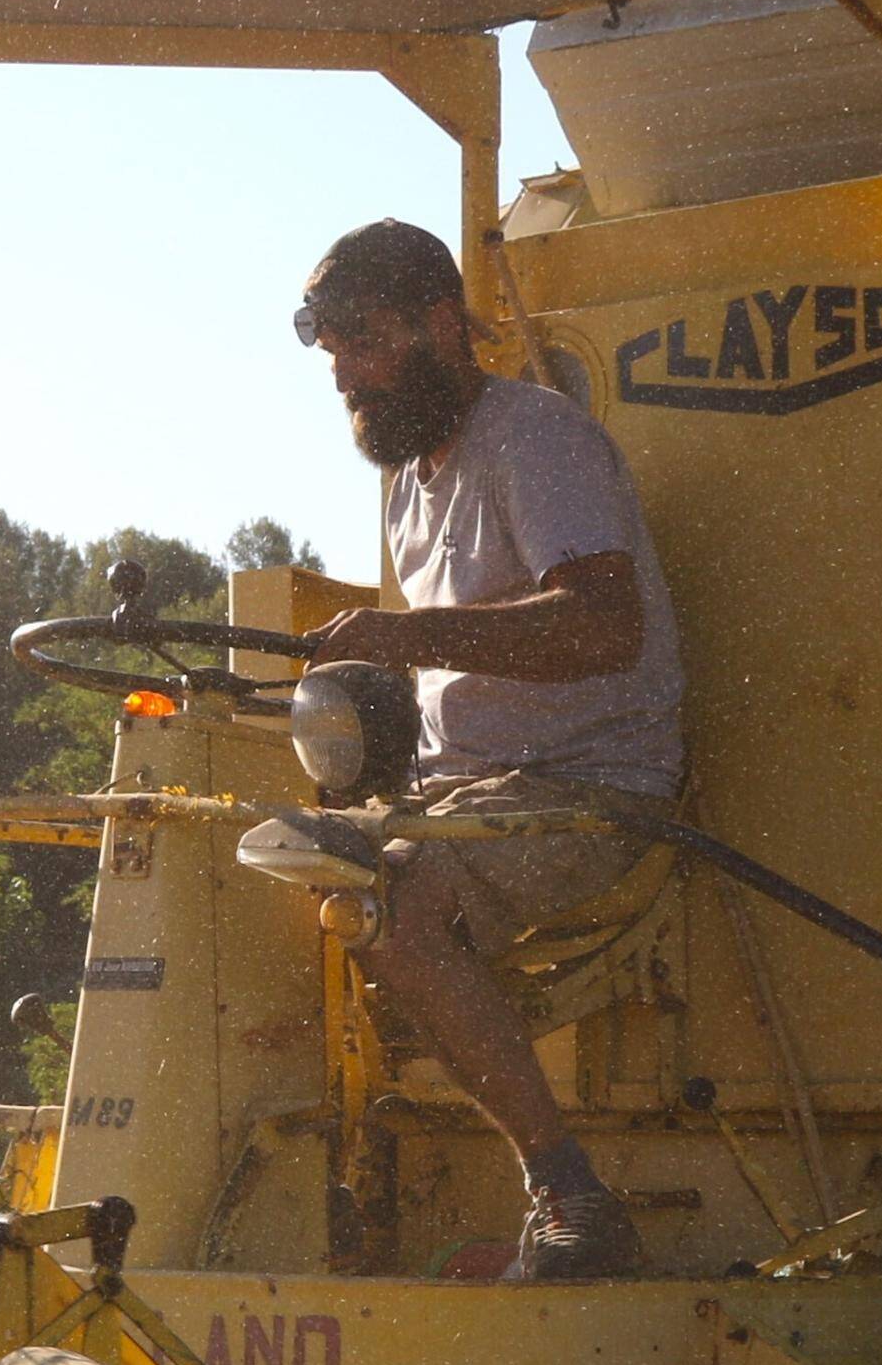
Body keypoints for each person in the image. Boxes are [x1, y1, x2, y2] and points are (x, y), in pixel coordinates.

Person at [288, 219, 683, 1283]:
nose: (346, 380)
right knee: (264, 856)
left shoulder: (535, 438)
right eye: (332, 358)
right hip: (466, 794)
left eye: (362, 347)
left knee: (392, 896)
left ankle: (567, 1192)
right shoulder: (410, 480)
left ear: (437, 325)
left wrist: (405, 638)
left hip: (591, 789)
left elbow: (605, 629)